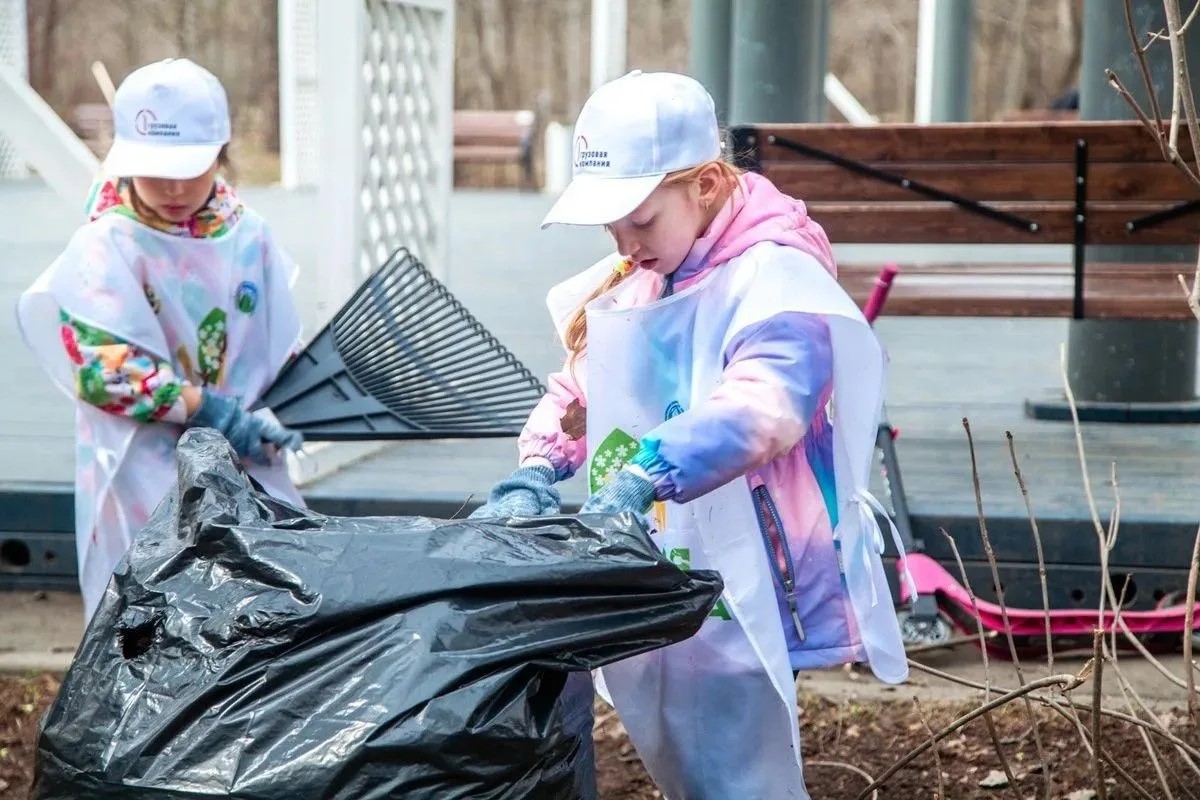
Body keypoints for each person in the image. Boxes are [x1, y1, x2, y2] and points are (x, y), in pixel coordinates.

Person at [470, 70, 911, 799]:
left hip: (750, 563)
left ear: (705, 184)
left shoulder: (776, 277)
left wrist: (649, 471)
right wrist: (539, 465)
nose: (623, 241)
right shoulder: (647, 270)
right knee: (680, 745)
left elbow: (767, 405)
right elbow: (583, 385)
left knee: (743, 759)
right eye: (610, 224)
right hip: (669, 550)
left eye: (639, 220)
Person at [17, 58, 305, 623]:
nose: (173, 188)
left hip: (242, 454)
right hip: (140, 468)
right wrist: (204, 407)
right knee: (153, 606)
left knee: (252, 603)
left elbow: (276, 341)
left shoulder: (247, 236)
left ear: (222, 155)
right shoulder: (107, 243)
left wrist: (282, 406)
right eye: (155, 170)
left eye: (191, 169)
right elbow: (102, 371)